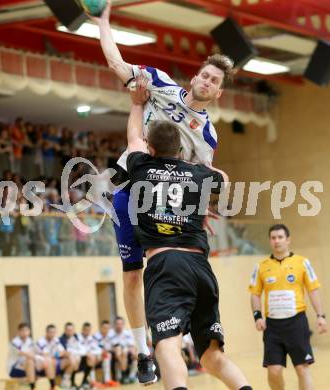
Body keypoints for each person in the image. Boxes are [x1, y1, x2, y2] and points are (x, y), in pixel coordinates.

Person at [91, 2, 234, 383]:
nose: (206, 82)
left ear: (218, 93)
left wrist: (204, 204)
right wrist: (104, 22)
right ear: (195, 77)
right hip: (128, 185)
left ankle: (171, 338)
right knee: (132, 274)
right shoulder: (159, 83)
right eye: (204, 75)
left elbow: (201, 174)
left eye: (214, 81)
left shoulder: (206, 135)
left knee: (163, 267)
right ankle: (143, 352)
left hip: (159, 202)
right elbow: (118, 65)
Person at [124, 79, 252, 390]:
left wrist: (137, 103)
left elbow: (133, 139)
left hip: (166, 266)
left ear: (151, 148)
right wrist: (193, 168)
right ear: (181, 150)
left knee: (167, 344)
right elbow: (222, 177)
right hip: (201, 268)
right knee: (211, 356)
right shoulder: (198, 174)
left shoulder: (141, 166)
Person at [249, 224, 328, 390]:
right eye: (273, 238)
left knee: (302, 368)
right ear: (270, 241)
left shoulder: (302, 262)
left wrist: (321, 316)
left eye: (280, 237)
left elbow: (313, 290)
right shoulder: (261, 266)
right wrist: (257, 316)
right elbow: (255, 294)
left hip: (296, 323)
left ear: (288, 240)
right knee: (274, 370)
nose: (277, 241)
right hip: (272, 326)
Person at [36, 324, 76, 389]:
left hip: (54, 362)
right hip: (43, 365)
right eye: (50, 332)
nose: (52, 334)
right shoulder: (41, 341)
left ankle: (65, 381)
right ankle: (53, 386)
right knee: (50, 361)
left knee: (71, 359)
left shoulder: (55, 340)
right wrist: (57, 354)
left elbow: (63, 352)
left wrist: (68, 355)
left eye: (54, 332)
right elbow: (46, 355)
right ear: (46, 332)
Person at [109, 317, 138, 384]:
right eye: (117, 324)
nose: (119, 326)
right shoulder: (110, 334)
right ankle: (124, 375)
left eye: (121, 324)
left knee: (135, 354)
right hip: (116, 355)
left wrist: (132, 351)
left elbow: (132, 345)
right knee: (120, 352)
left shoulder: (127, 333)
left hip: (126, 352)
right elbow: (109, 347)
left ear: (123, 324)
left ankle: (131, 376)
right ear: (114, 325)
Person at [7, 323, 36, 389]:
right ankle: (33, 387)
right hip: (13, 369)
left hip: (26, 367)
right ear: (19, 332)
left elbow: (33, 354)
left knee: (34, 364)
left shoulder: (30, 341)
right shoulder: (15, 342)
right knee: (30, 363)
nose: (25, 333)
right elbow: (23, 353)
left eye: (26, 330)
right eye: (23, 331)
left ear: (29, 331)